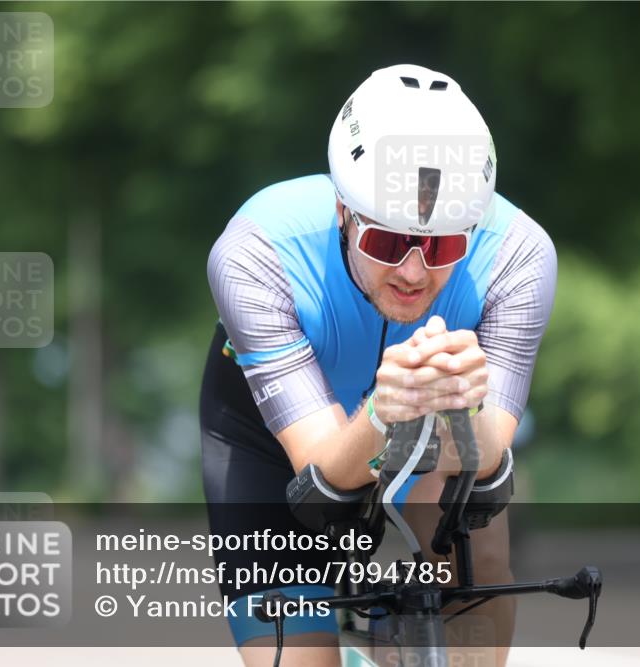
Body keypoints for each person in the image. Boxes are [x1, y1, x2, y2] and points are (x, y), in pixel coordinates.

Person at [200, 64, 556, 667]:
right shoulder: (253, 253)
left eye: (443, 246)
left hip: (432, 421)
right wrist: (382, 410)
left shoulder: (520, 256)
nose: (415, 273)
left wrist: (464, 416)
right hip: (271, 439)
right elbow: (321, 481)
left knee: (480, 552)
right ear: (343, 210)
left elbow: (487, 464)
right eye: (388, 243)